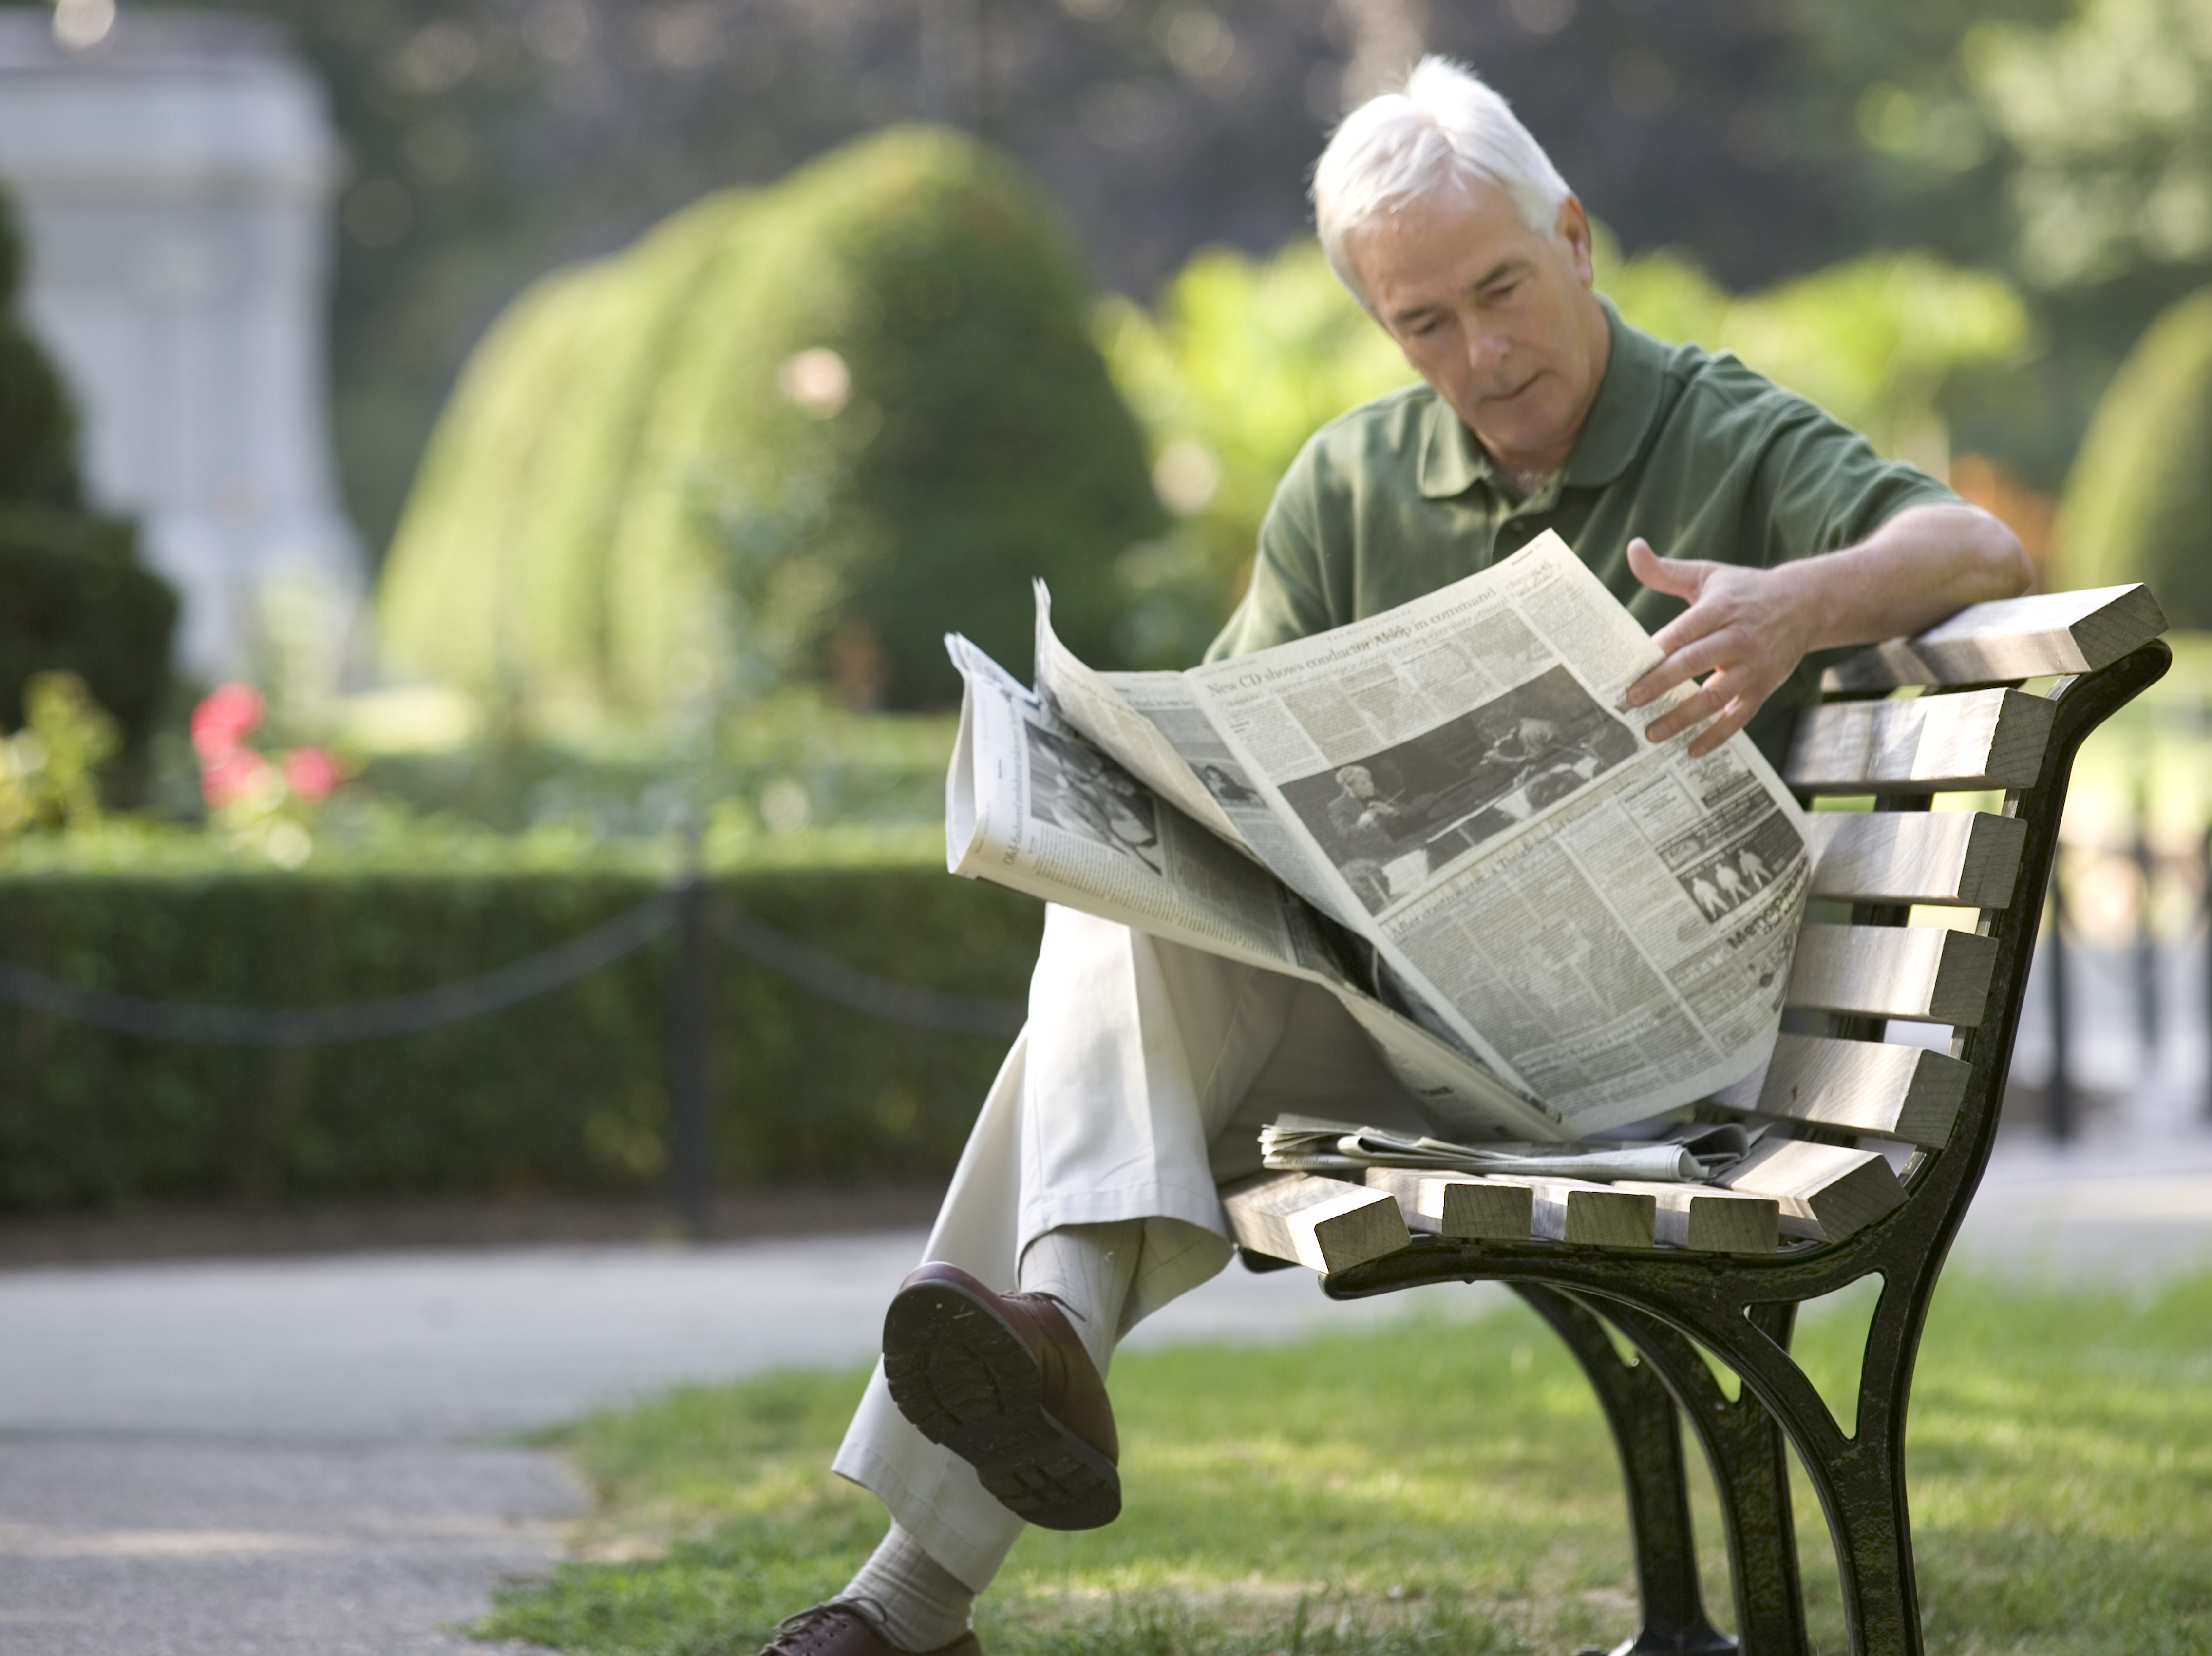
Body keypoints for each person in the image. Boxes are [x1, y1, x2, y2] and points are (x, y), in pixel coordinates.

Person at [757, 54, 2032, 1656]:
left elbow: (1977, 548)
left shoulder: (1720, 430)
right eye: (1422, 324)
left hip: (1663, 1061)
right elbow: (1213, 790)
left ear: (1572, 236)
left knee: (1095, 1000)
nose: (1479, 355)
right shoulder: (1348, 484)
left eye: (1499, 290)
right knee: (1115, 918)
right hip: (1415, 1032)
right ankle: (1041, 1354)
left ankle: (923, 1576)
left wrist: (1786, 604)